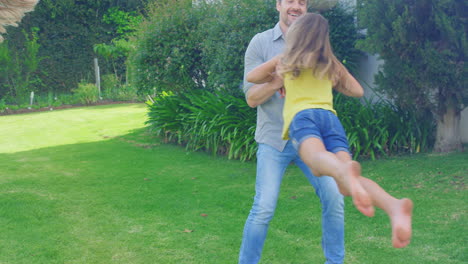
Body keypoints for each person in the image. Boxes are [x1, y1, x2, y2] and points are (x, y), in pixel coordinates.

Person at [246, 12, 413, 249]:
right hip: (331, 120)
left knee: (316, 160)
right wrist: (333, 75)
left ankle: (342, 170)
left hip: (304, 118)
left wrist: (277, 75)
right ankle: (393, 206)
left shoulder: (286, 59)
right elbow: (357, 91)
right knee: (346, 184)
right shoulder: (329, 62)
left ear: (296, 36)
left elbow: (252, 77)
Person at [239, 1, 345, 264]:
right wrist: (277, 80)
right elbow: (251, 98)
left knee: (334, 198)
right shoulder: (260, 43)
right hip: (274, 139)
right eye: (290, 1)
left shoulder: (318, 44)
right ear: (278, 5)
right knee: (263, 207)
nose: (295, 6)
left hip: (314, 140)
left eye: (301, 1)